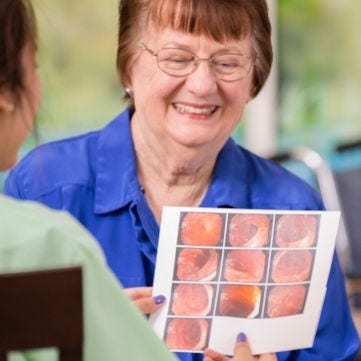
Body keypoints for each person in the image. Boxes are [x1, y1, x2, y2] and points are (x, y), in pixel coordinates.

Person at [4, 0, 360, 360]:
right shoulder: (42, 190)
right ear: (129, 66)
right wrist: (87, 340)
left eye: (227, 63)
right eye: (176, 58)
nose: (203, 85)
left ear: (255, 78)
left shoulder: (293, 210)